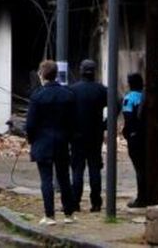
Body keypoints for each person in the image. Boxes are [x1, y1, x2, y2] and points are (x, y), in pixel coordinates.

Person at [25, 59, 76, 226]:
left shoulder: (37, 96)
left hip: (42, 142)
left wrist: (31, 139)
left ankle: (49, 215)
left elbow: (30, 124)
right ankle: (69, 214)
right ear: (56, 75)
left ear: (42, 75)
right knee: (64, 178)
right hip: (62, 142)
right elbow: (72, 121)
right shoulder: (68, 95)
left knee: (46, 180)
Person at [70, 58, 107, 212]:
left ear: (81, 71)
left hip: (77, 135)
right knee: (95, 169)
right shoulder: (101, 90)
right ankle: (96, 202)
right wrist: (106, 124)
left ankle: (75, 202)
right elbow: (117, 103)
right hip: (95, 134)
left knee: (77, 169)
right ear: (94, 72)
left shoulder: (73, 90)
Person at [122, 72, 146, 208]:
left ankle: (141, 197)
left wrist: (128, 133)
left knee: (139, 168)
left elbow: (128, 117)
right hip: (146, 136)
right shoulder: (145, 96)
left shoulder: (129, 98)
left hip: (134, 137)